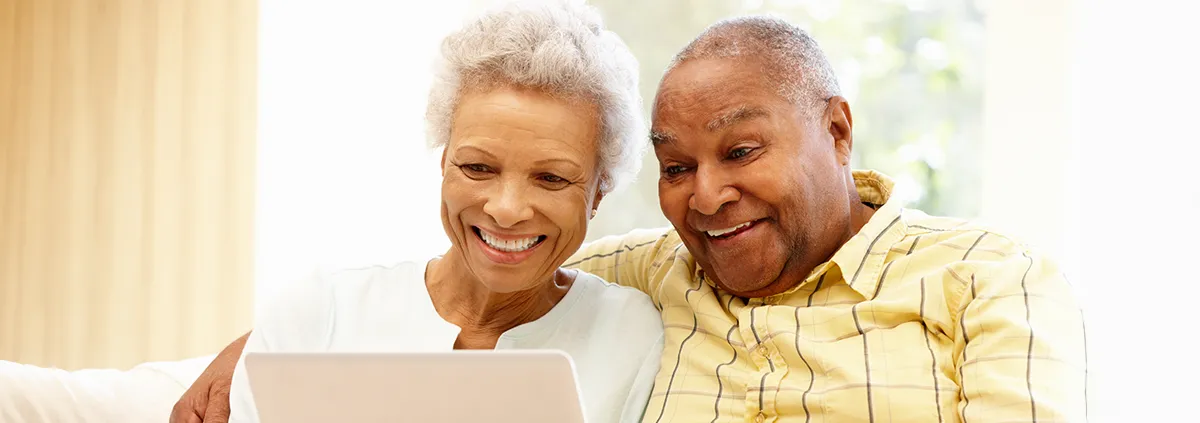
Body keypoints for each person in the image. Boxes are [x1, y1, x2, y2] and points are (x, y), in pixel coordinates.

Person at [173, 14, 1088, 423]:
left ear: (837, 131)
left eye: (740, 151)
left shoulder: (986, 276)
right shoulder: (656, 273)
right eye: (677, 166)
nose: (706, 194)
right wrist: (268, 344)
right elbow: (505, 261)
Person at [183, 2, 665, 423]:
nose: (506, 209)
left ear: (600, 190)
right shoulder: (319, 312)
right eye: (478, 167)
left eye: (552, 178)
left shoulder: (632, 334)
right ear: (443, 160)